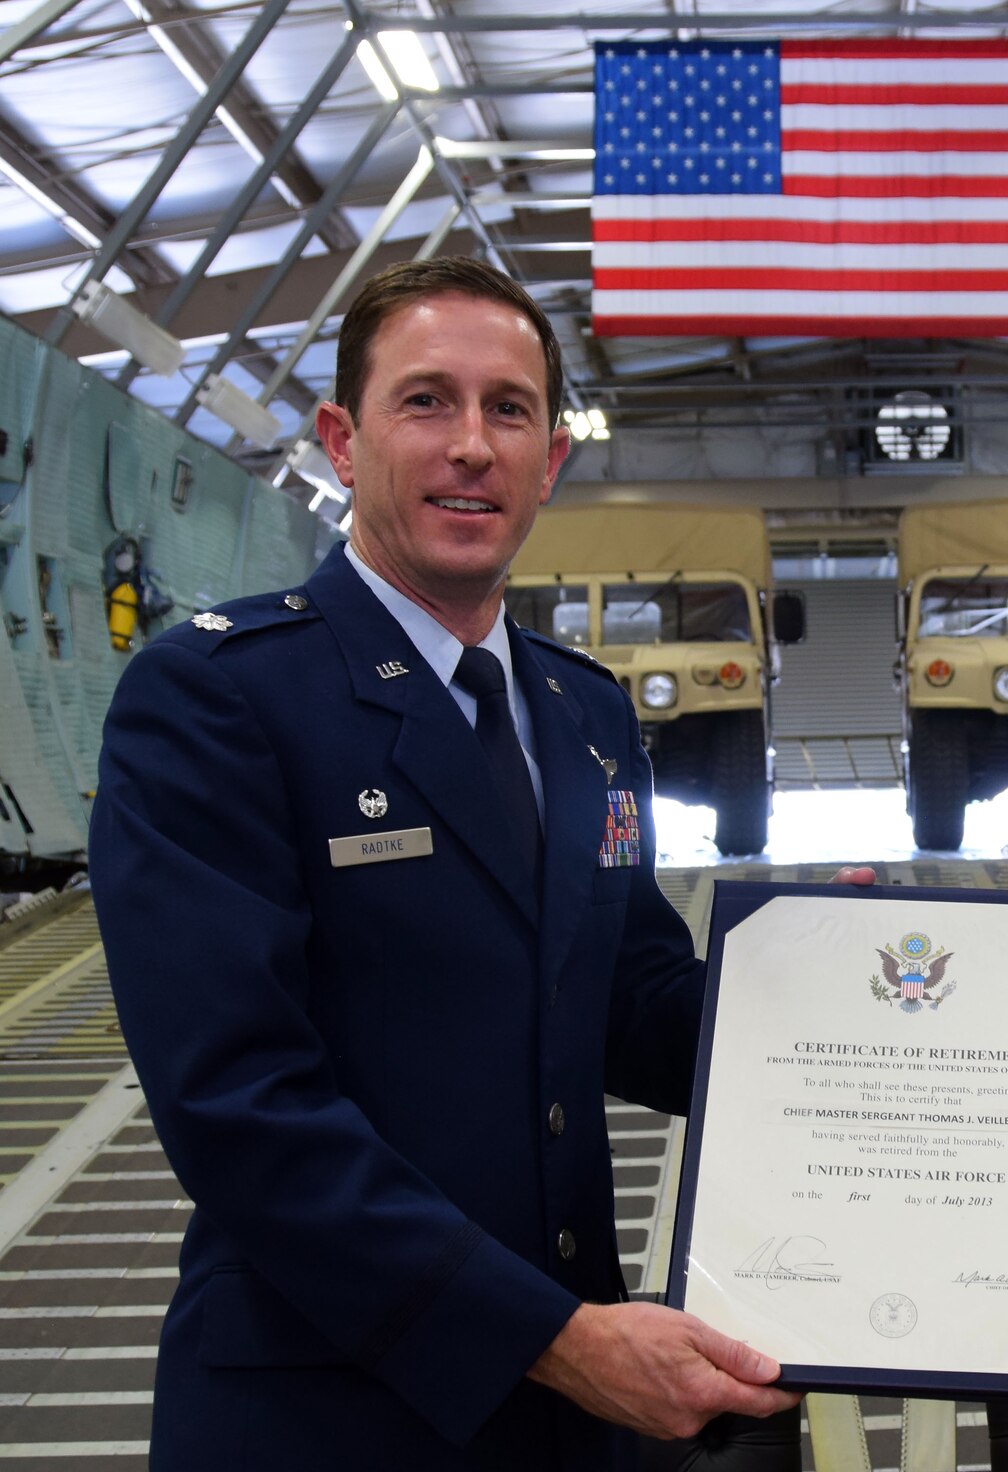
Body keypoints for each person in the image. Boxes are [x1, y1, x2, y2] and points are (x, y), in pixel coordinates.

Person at [90, 257, 806, 1470]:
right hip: (328, 1406)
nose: (471, 444)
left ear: (550, 460)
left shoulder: (585, 717)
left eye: (508, 408)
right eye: (426, 400)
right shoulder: (218, 701)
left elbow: (629, 998)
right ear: (340, 441)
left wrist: (827, 988)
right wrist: (553, 1337)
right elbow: (239, 1105)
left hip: (578, 1411)